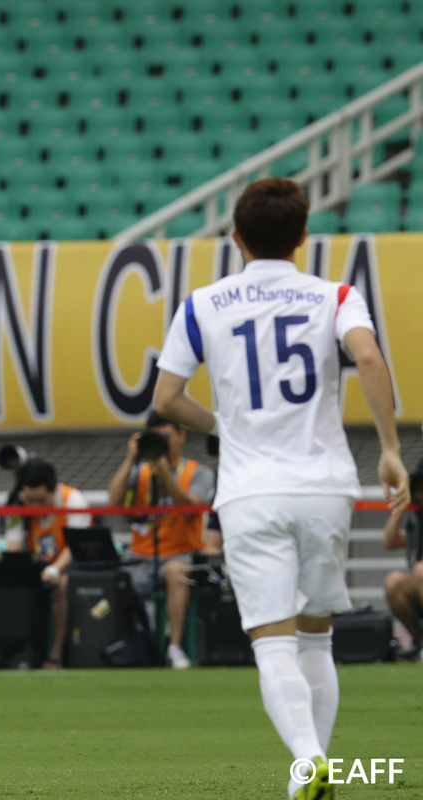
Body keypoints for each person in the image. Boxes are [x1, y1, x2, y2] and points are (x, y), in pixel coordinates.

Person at [151, 177, 409, 799]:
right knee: (317, 636)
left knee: (273, 642)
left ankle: (308, 759)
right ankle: (311, 772)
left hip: (251, 491)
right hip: (324, 487)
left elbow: (166, 399)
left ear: (235, 237)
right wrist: (390, 449)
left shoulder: (203, 304)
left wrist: (223, 424)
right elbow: (368, 358)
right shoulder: (335, 295)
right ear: (302, 236)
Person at [107, 411, 215, 670]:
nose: (162, 444)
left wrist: (166, 474)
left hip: (181, 553)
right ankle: (132, 642)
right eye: (155, 438)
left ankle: (174, 647)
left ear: (181, 436)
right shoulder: (141, 472)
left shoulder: (198, 472)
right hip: (141, 555)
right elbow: (113, 503)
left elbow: (190, 508)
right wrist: (130, 459)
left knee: (176, 573)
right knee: (118, 580)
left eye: (166, 437)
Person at [2, 460, 91, 668]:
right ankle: (16, 653)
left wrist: (54, 570)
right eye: (29, 500)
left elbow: (75, 547)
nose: (34, 506)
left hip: (72, 566)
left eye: (41, 500)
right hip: (36, 566)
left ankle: (56, 652)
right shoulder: (16, 504)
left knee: (62, 585)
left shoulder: (73, 500)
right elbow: (14, 546)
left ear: (53, 490)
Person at [382, 458, 423, 662]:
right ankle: (420, 644)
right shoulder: (418, 520)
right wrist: (401, 505)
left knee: (421, 571)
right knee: (394, 581)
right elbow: (390, 541)